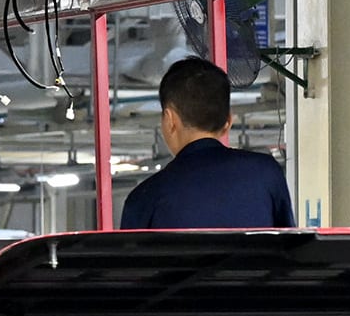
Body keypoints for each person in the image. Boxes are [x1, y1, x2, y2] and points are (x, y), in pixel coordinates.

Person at [119, 58, 296, 230]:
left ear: (170, 119)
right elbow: (291, 243)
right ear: (228, 121)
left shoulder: (144, 199)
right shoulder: (266, 173)